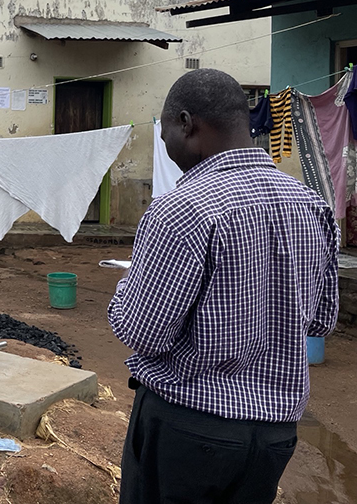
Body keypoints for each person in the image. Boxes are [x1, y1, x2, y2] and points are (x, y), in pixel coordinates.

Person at [108, 68, 339, 504]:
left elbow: (143, 334)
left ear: (186, 122)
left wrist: (127, 287)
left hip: (188, 427)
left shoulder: (180, 210)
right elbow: (321, 321)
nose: (165, 147)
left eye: (164, 135)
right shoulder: (310, 205)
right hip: (274, 437)